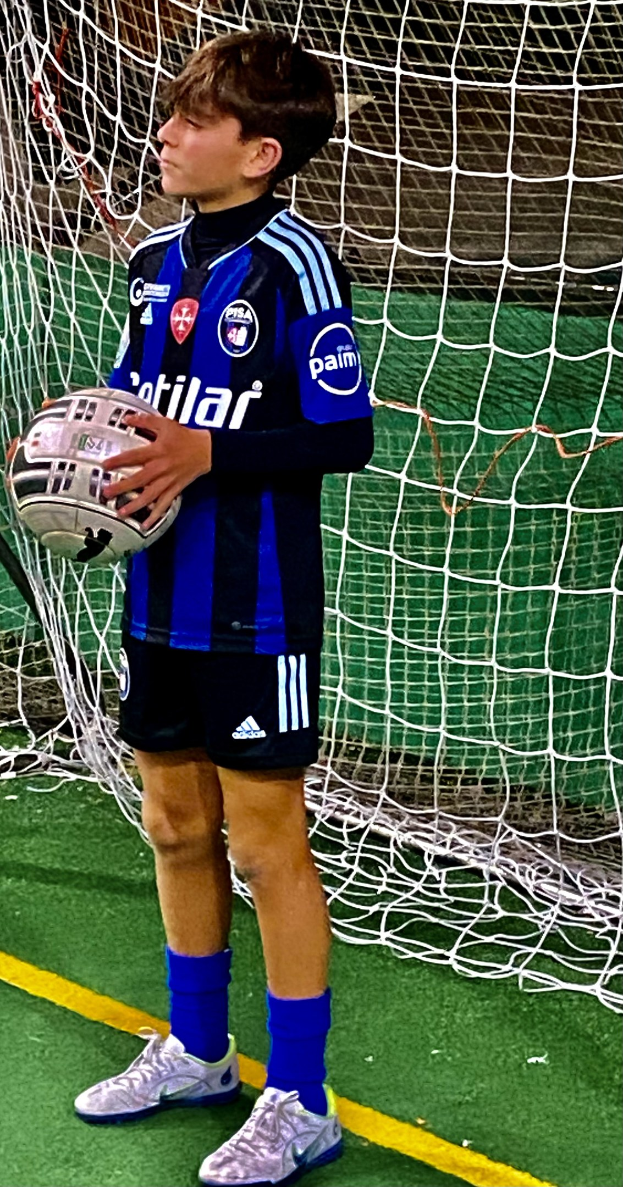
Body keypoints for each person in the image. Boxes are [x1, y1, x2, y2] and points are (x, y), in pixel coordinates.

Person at [66, 29, 374, 1186]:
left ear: (258, 153)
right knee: (172, 826)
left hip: (257, 606)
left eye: (190, 122)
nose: (164, 135)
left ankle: (300, 1096)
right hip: (157, 593)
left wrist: (212, 448)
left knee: (264, 840)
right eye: (168, 116)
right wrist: (67, 457)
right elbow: (137, 413)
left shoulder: (294, 266)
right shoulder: (153, 262)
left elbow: (343, 435)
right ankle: (198, 1048)